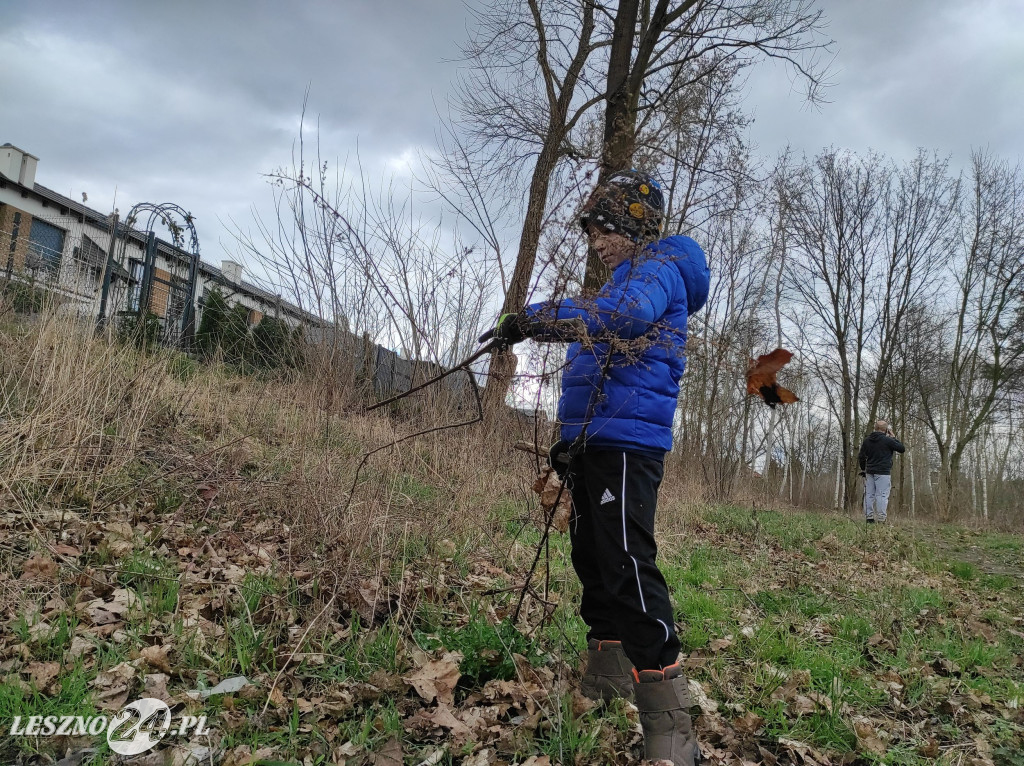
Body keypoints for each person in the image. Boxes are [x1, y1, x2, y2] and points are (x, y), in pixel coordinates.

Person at [481, 170, 710, 766]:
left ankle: (669, 722)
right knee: (592, 554)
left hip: (630, 445)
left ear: (636, 227)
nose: (596, 240)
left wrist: (535, 317)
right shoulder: (621, 277)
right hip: (592, 440)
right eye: (590, 229)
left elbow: (622, 318)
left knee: (627, 562)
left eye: (605, 229)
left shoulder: (656, 270)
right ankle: (607, 673)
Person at [858, 420, 906, 523]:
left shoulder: (867, 440)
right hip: (883, 472)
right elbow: (902, 449)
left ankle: (869, 518)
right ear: (886, 430)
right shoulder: (888, 440)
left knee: (869, 494)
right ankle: (881, 518)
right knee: (882, 495)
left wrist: (863, 469)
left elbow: (861, 456)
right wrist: (893, 437)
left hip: (870, 471)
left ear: (875, 428)